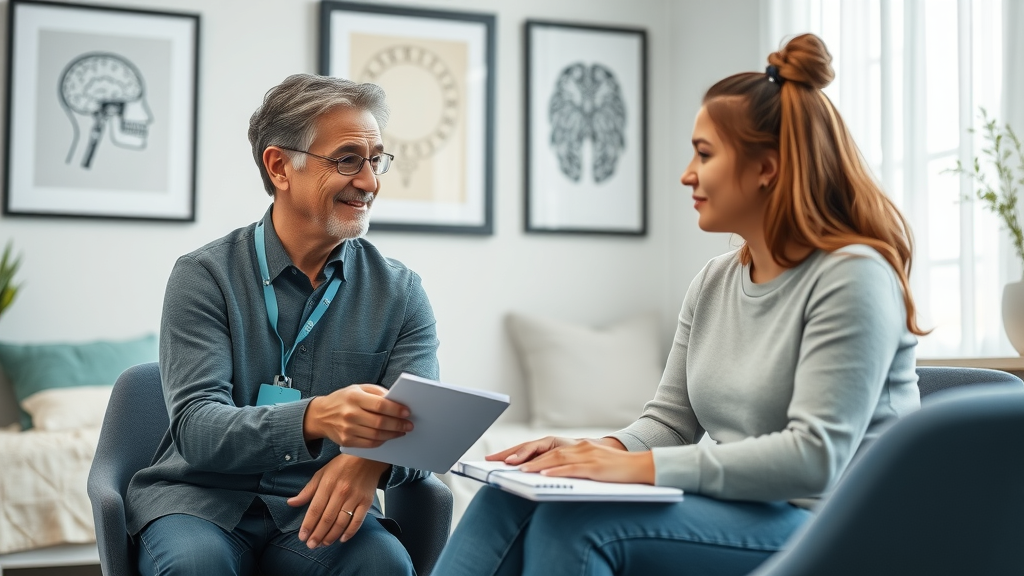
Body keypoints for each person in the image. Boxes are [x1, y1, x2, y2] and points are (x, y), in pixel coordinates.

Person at [432, 33, 925, 576]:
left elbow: (813, 460)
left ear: (767, 168)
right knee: (513, 496)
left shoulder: (852, 276)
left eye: (705, 153)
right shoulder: (714, 281)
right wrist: (586, 452)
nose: (687, 173)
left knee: (576, 525)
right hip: (747, 511)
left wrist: (638, 468)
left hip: (839, 525)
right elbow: (668, 425)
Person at [124, 74, 439, 576]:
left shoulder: (400, 292)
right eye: (347, 160)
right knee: (194, 566)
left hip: (319, 506)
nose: (370, 182)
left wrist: (368, 462)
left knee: (383, 566)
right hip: (201, 502)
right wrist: (316, 416)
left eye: (376, 159)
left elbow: (422, 428)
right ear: (280, 167)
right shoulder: (203, 276)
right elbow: (197, 429)